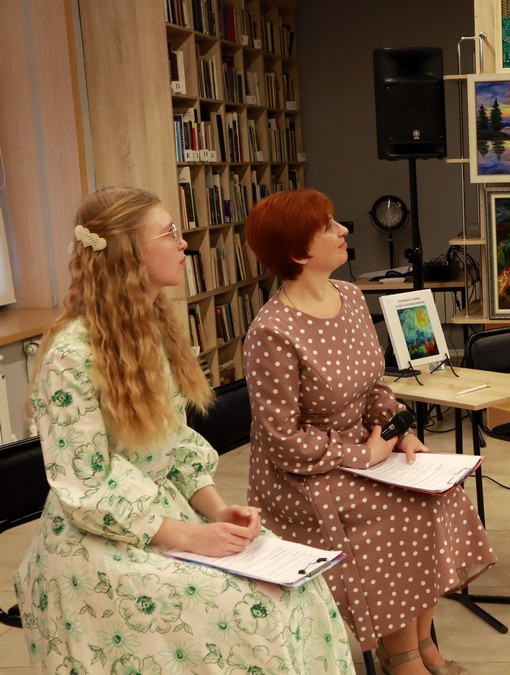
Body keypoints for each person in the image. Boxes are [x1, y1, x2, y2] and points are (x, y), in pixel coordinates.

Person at [13, 187, 354, 674]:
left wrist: (218, 511)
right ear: (129, 251)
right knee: (251, 608)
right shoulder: (72, 355)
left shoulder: (152, 330)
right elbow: (86, 485)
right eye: (169, 233)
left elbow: (175, 445)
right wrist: (191, 538)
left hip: (162, 516)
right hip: (97, 541)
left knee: (300, 582)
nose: (183, 244)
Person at [243, 188, 496, 675]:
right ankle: (402, 658)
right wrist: (364, 456)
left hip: (367, 450)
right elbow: (282, 440)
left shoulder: (352, 297)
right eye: (328, 226)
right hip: (303, 478)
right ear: (299, 253)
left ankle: (421, 643)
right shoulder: (272, 332)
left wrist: (401, 431)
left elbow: (373, 387)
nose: (343, 230)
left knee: (440, 495)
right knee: (398, 517)